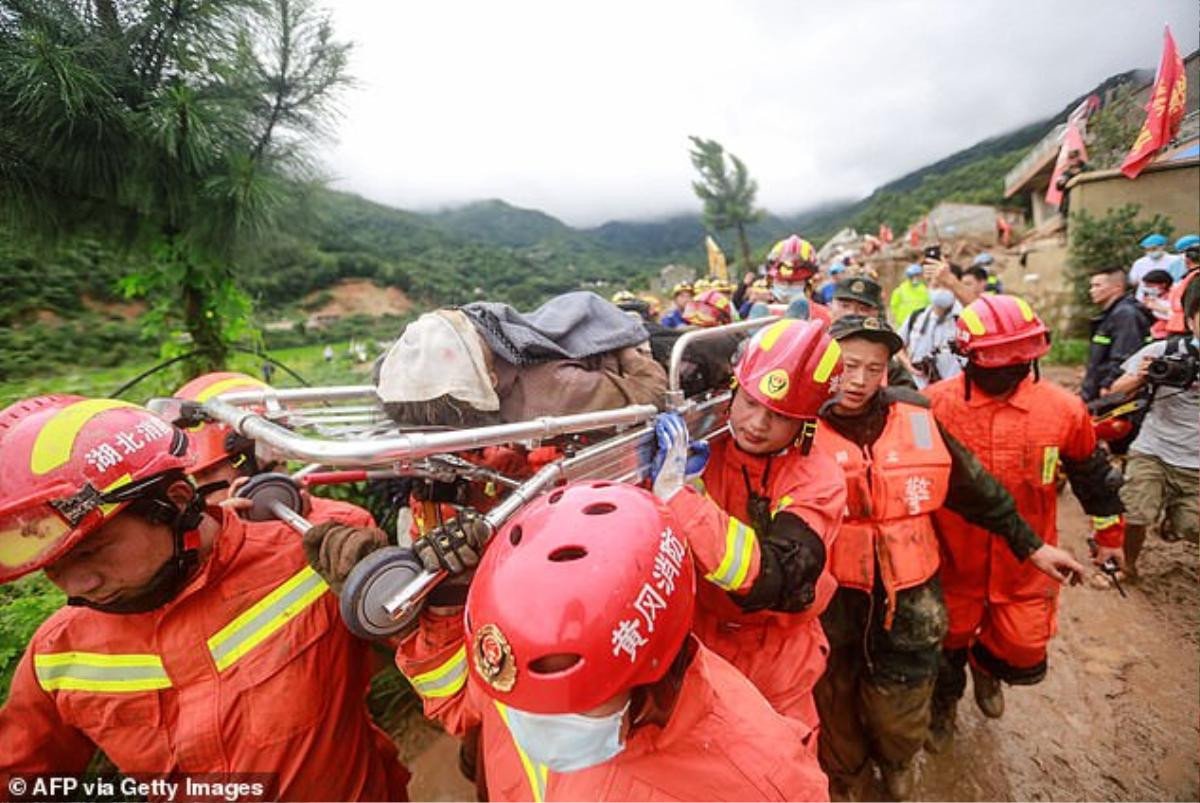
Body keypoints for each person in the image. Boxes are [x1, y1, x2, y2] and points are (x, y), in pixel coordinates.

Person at [0, 396, 409, 800]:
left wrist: (408, 600)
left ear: (175, 502)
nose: (76, 586)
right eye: (50, 568)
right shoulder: (57, 654)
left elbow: (440, 668)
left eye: (91, 552)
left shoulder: (315, 553)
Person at [394, 482, 831, 801]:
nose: (536, 722)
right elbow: (461, 699)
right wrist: (446, 609)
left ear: (652, 671)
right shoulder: (528, 657)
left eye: (577, 700)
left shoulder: (754, 781)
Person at [812, 316, 1086, 798]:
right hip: (830, 598)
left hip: (911, 593)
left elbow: (977, 490)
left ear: (887, 373)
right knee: (832, 692)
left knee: (903, 694)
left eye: (873, 369)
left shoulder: (916, 419)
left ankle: (897, 760)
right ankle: (847, 777)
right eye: (847, 365)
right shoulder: (796, 428)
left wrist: (1033, 546)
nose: (858, 380)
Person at [924, 295, 1125, 746]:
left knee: (1021, 645)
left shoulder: (1062, 410)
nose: (1010, 368)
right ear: (967, 357)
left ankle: (988, 669)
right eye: (999, 359)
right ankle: (944, 706)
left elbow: (1093, 478)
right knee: (945, 644)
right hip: (953, 560)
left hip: (1028, 564)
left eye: (1021, 358)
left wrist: (1110, 537)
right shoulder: (931, 408)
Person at [644, 319, 847, 732]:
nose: (756, 423)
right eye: (750, 403)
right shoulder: (703, 443)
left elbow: (776, 575)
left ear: (806, 422)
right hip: (696, 644)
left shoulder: (819, 480)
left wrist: (677, 497)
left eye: (778, 415)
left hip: (775, 659)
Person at [1106, 279, 1200, 579]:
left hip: (1195, 463)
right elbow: (1114, 392)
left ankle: (1174, 521)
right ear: (1190, 319)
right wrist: (1142, 377)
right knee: (1135, 513)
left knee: (1192, 527)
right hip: (1153, 449)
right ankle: (1127, 566)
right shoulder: (1165, 350)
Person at [1080, 267, 1153, 402]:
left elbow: (1125, 356)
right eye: (1091, 286)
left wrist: (1108, 384)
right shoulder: (1111, 315)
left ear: (1117, 287)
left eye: (1097, 285)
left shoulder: (1126, 315)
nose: (1092, 290)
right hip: (1097, 390)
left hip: (1111, 395)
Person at [831, 276, 917, 389]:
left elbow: (907, 394)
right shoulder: (817, 348)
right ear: (831, 305)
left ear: (875, 313)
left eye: (863, 309)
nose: (852, 313)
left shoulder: (886, 363)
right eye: (845, 306)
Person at [899, 287, 964, 388]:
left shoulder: (963, 319)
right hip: (920, 389)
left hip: (953, 390)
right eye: (936, 285)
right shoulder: (917, 317)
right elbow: (898, 345)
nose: (941, 290)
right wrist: (908, 364)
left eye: (945, 285)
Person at [1164, 235, 1199, 334]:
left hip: (1185, 328)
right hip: (1181, 325)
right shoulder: (1189, 277)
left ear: (1187, 261)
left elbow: (1192, 305)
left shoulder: (1195, 280)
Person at [1128, 233, 1171, 300]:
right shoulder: (1139, 263)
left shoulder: (1175, 260)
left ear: (1162, 246)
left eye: (1154, 248)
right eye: (1148, 249)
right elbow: (1133, 281)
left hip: (1166, 300)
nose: (1151, 251)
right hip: (1143, 299)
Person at [889, 264, 930, 330]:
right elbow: (893, 307)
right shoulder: (900, 290)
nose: (915, 279)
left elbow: (929, 306)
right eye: (912, 276)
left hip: (920, 325)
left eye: (917, 276)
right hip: (902, 325)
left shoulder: (926, 291)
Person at [1140, 268, 1174, 339]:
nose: (1147, 289)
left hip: (1169, 334)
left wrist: (1158, 307)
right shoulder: (1151, 297)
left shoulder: (1175, 295)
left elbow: (1174, 314)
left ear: (1163, 285)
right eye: (1146, 286)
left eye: (1150, 286)